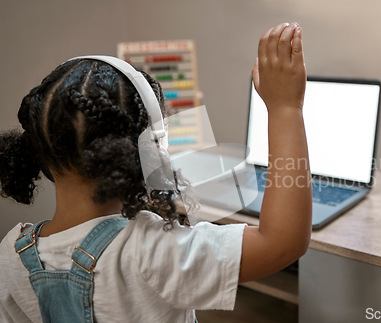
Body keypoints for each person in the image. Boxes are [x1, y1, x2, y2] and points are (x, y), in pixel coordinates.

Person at [0, 22, 311, 322]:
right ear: (151, 150)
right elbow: (282, 242)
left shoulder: (12, 254)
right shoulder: (151, 253)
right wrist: (285, 108)